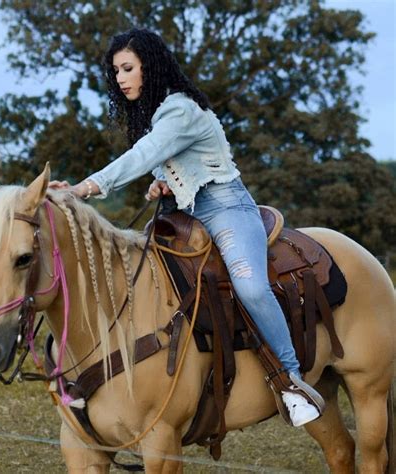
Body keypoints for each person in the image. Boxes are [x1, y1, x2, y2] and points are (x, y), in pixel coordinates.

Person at [49, 27, 323, 427]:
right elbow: (172, 163)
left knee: (249, 285)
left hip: (228, 210)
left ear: (150, 66)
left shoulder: (180, 109)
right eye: (116, 72)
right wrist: (165, 184)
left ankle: (291, 379)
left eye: (128, 68)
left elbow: (145, 154)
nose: (121, 78)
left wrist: (85, 188)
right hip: (188, 214)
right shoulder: (158, 114)